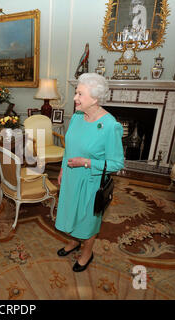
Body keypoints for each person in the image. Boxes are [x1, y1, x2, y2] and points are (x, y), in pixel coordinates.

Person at [55, 73, 124, 272]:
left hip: (91, 181)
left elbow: (117, 163)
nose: (75, 98)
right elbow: (69, 147)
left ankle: (87, 252)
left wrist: (86, 163)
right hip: (70, 176)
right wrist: (61, 169)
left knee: (88, 219)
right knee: (71, 212)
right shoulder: (77, 117)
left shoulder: (110, 126)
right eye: (76, 92)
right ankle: (75, 241)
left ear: (94, 99)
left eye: (80, 94)